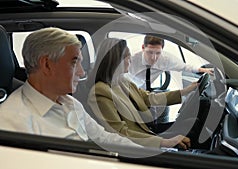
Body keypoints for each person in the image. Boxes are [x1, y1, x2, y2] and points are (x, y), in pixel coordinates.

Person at [0, 27, 141, 148]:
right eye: (74, 63)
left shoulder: (69, 102)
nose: (82, 72)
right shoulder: (13, 122)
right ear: (47, 65)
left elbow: (104, 137)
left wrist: (149, 154)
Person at [88, 38, 200, 149]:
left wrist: (185, 91)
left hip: (146, 133)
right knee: (192, 128)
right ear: (115, 61)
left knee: (194, 123)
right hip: (137, 145)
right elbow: (119, 133)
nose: (130, 59)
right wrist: (164, 142)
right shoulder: (100, 92)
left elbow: (148, 98)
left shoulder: (122, 81)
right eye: (127, 56)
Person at [128, 35, 213, 90]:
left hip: (145, 92)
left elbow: (185, 67)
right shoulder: (131, 59)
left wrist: (205, 70)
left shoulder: (166, 59)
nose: (153, 58)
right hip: (128, 88)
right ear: (143, 47)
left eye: (158, 53)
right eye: (150, 52)